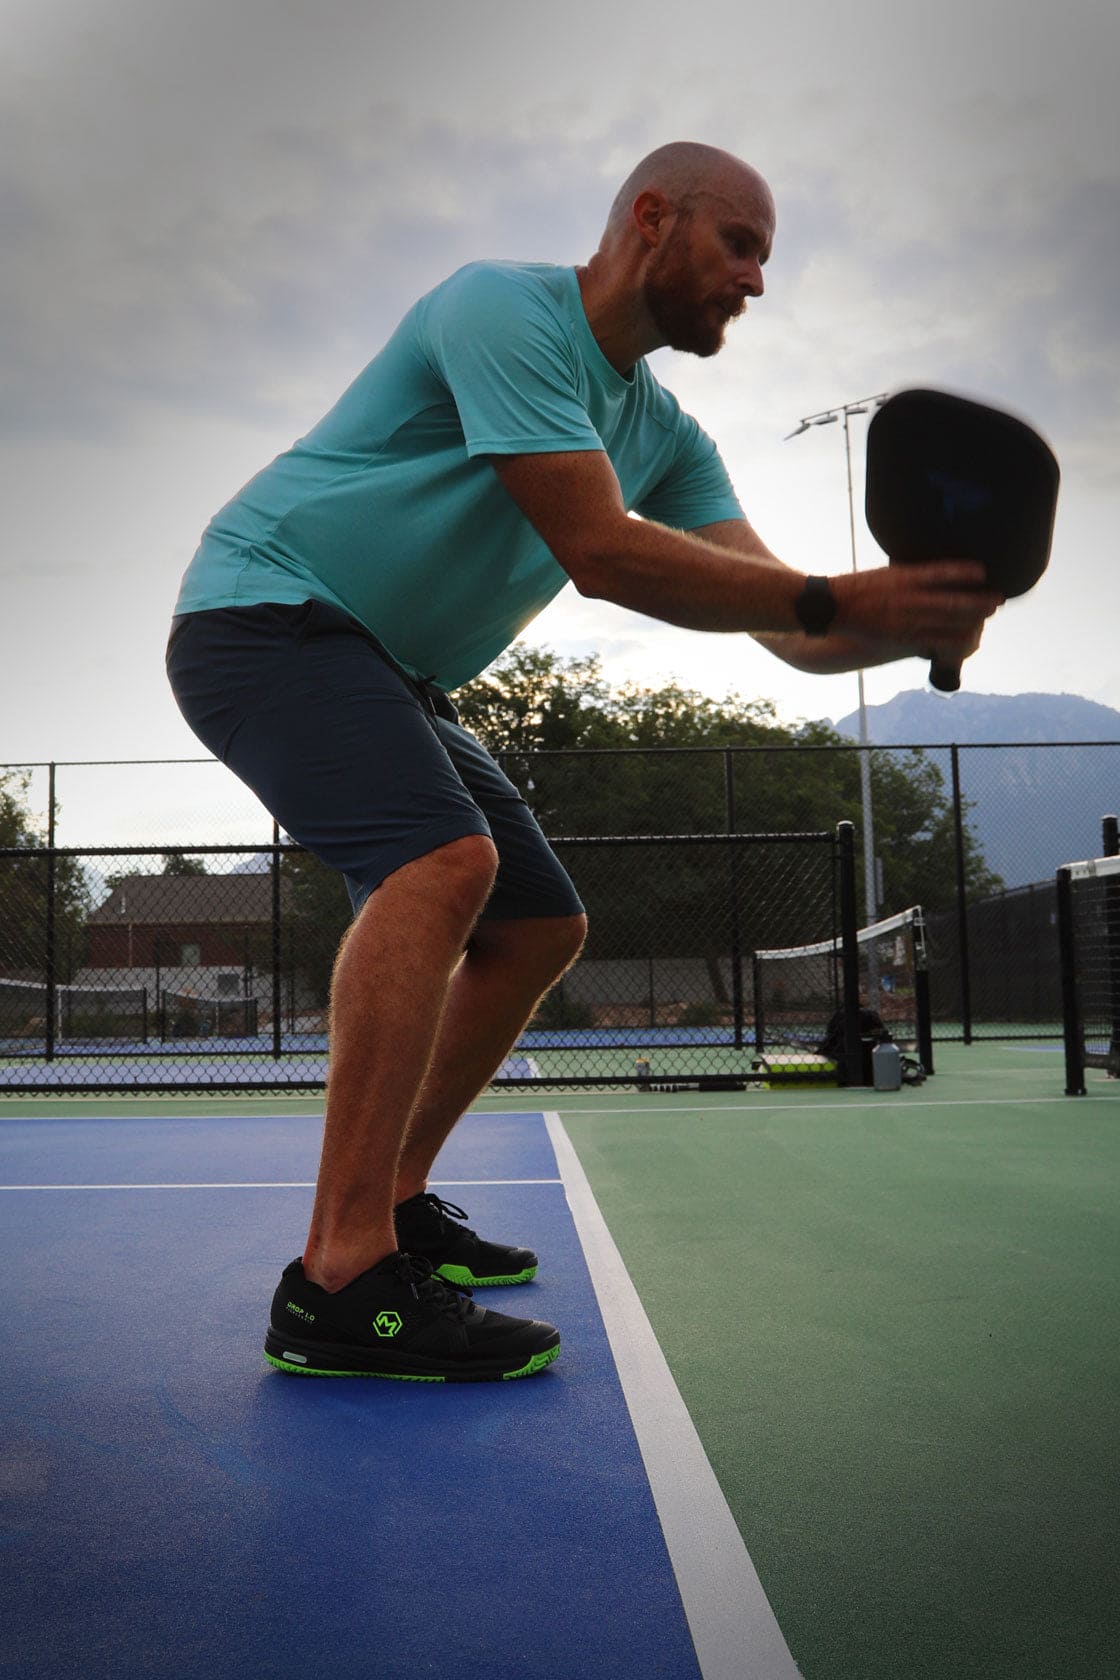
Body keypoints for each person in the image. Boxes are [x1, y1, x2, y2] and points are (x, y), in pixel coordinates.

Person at [167, 140, 1002, 1384]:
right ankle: (339, 1279)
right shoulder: (501, 309)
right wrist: (841, 597)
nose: (756, 280)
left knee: (537, 924)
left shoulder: (665, 435)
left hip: (390, 670)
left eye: (764, 258)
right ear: (651, 218)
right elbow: (599, 550)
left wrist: (905, 618)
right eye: (740, 245)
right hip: (265, 612)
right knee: (441, 862)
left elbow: (789, 626)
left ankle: (392, 1204)